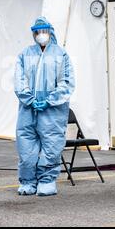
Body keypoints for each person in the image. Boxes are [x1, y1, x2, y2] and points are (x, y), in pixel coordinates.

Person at [14, 16, 75, 196]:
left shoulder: (61, 54)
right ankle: (28, 181)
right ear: (33, 34)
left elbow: (67, 82)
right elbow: (19, 80)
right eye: (38, 32)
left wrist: (50, 99)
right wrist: (29, 98)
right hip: (27, 109)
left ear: (50, 32)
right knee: (26, 146)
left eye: (44, 31)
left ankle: (47, 180)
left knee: (51, 145)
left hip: (53, 111)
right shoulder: (25, 54)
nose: (41, 35)